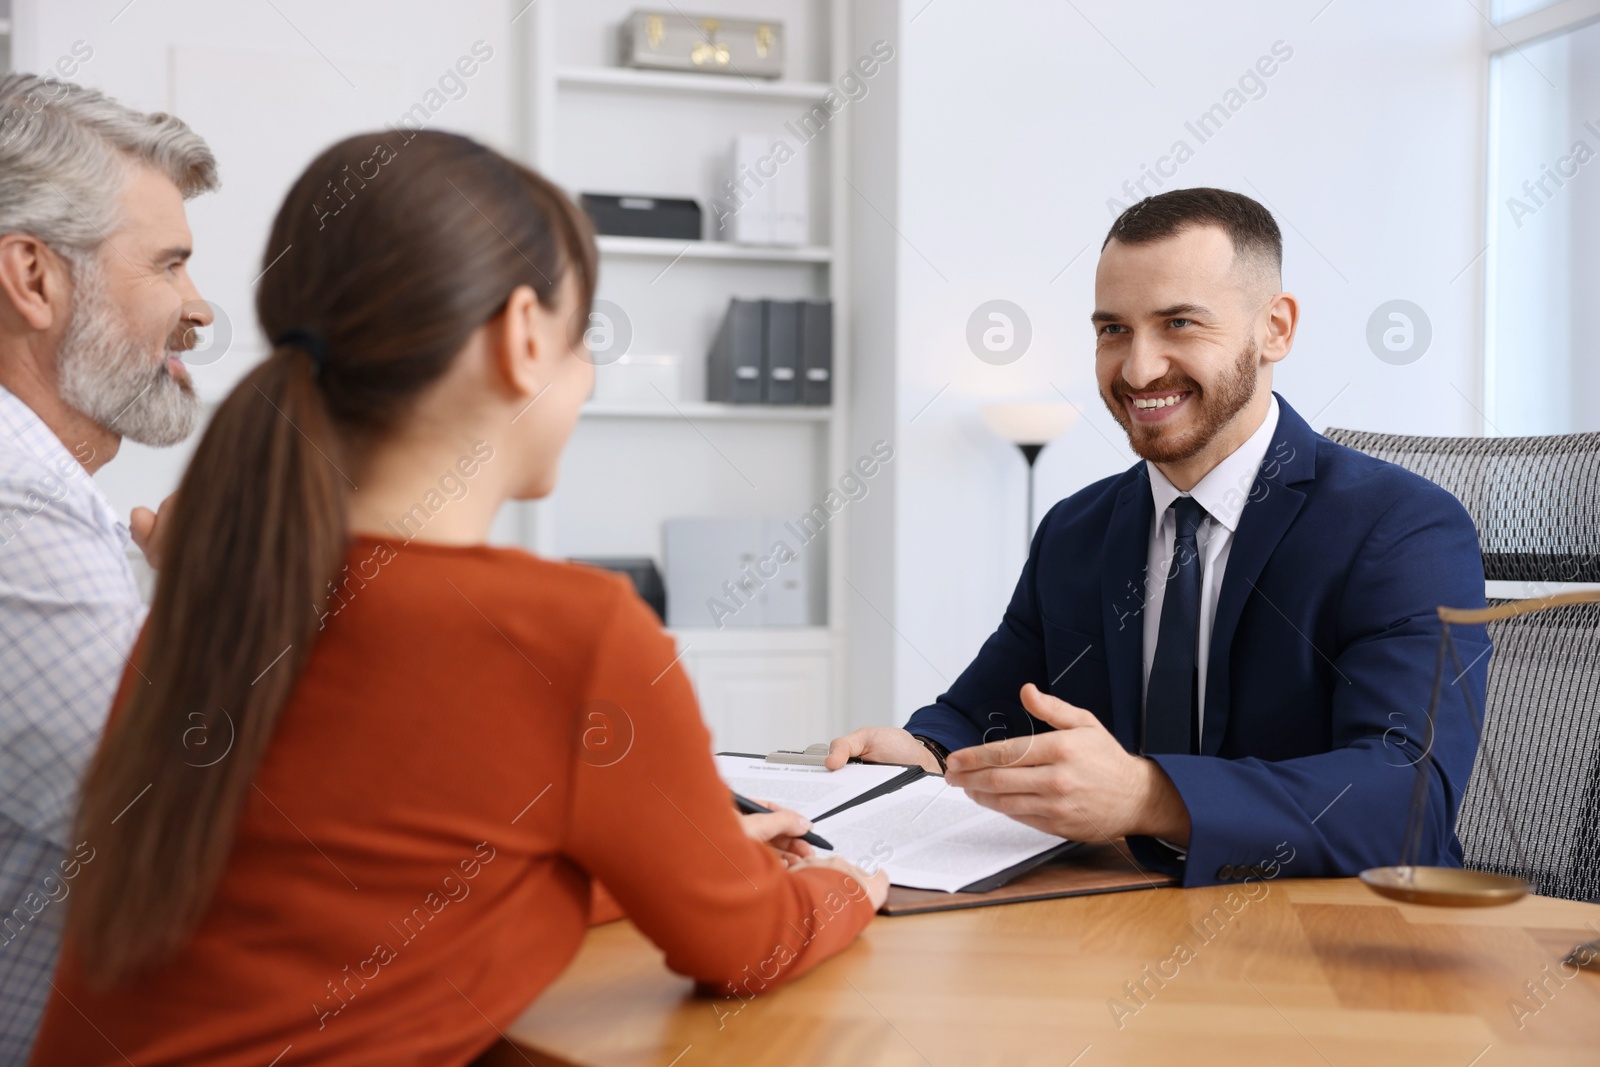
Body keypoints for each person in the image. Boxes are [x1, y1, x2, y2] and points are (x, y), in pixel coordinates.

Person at [28, 130, 885, 1066]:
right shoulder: (573, 633)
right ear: (524, 337)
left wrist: (666, 859)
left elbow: (378, 885)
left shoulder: (219, 599)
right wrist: (848, 885)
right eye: (583, 335)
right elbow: (750, 944)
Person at [828, 187, 1490, 886]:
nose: (1138, 369)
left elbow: (1407, 798)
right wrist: (926, 751)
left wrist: (1149, 795)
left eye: (1179, 323)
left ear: (1276, 328)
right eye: (1113, 330)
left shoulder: (1402, 527)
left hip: (1336, 943)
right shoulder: (1076, 530)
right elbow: (983, 712)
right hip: (1119, 919)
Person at [0, 73, 217, 1061]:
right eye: (168, 265)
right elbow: (181, 826)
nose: (198, 307)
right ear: (34, 278)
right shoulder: (15, 493)